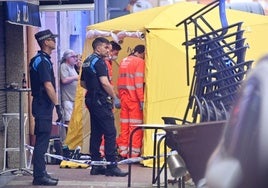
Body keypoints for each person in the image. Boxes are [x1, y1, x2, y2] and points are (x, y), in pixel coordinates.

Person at [80, 37, 128, 177]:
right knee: (110, 132)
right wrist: (115, 97)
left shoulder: (87, 61)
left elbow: (83, 83)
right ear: (98, 48)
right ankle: (112, 166)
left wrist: (93, 88)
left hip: (91, 99)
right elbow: (105, 83)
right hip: (100, 100)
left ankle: (96, 165)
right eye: (106, 48)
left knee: (96, 132)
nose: (108, 51)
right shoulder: (100, 62)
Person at [29, 29, 63, 186]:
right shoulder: (42, 61)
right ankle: (39, 176)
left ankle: (41, 173)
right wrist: (57, 105)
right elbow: (48, 85)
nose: (54, 41)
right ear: (45, 42)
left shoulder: (42, 59)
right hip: (43, 104)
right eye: (52, 39)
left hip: (42, 104)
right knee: (42, 141)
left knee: (42, 140)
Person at [117, 44, 145, 158]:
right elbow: (138, 83)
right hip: (134, 99)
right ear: (141, 53)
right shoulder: (139, 62)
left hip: (124, 98)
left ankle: (123, 151)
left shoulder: (124, 61)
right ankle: (133, 154)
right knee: (135, 127)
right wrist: (142, 100)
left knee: (124, 126)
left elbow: (120, 81)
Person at [99, 41, 122, 157]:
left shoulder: (107, 63)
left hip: (105, 99)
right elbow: (106, 83)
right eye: (115, 53)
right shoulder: (105, 64)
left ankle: (102, 152)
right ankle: (106, 154)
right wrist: (115, 98)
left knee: (104, 129)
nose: (115, 55)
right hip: (104, 100)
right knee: (108, 130)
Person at [60, 49, 79, 140]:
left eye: (76, 56)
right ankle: (68, 139)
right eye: (73, 57)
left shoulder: (73, 67)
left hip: (74, 98)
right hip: (67, 98)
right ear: (67, 58)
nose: (75, 58)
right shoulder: (64, 66)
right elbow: (64, 80)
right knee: (68, 119)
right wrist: (75, 77)